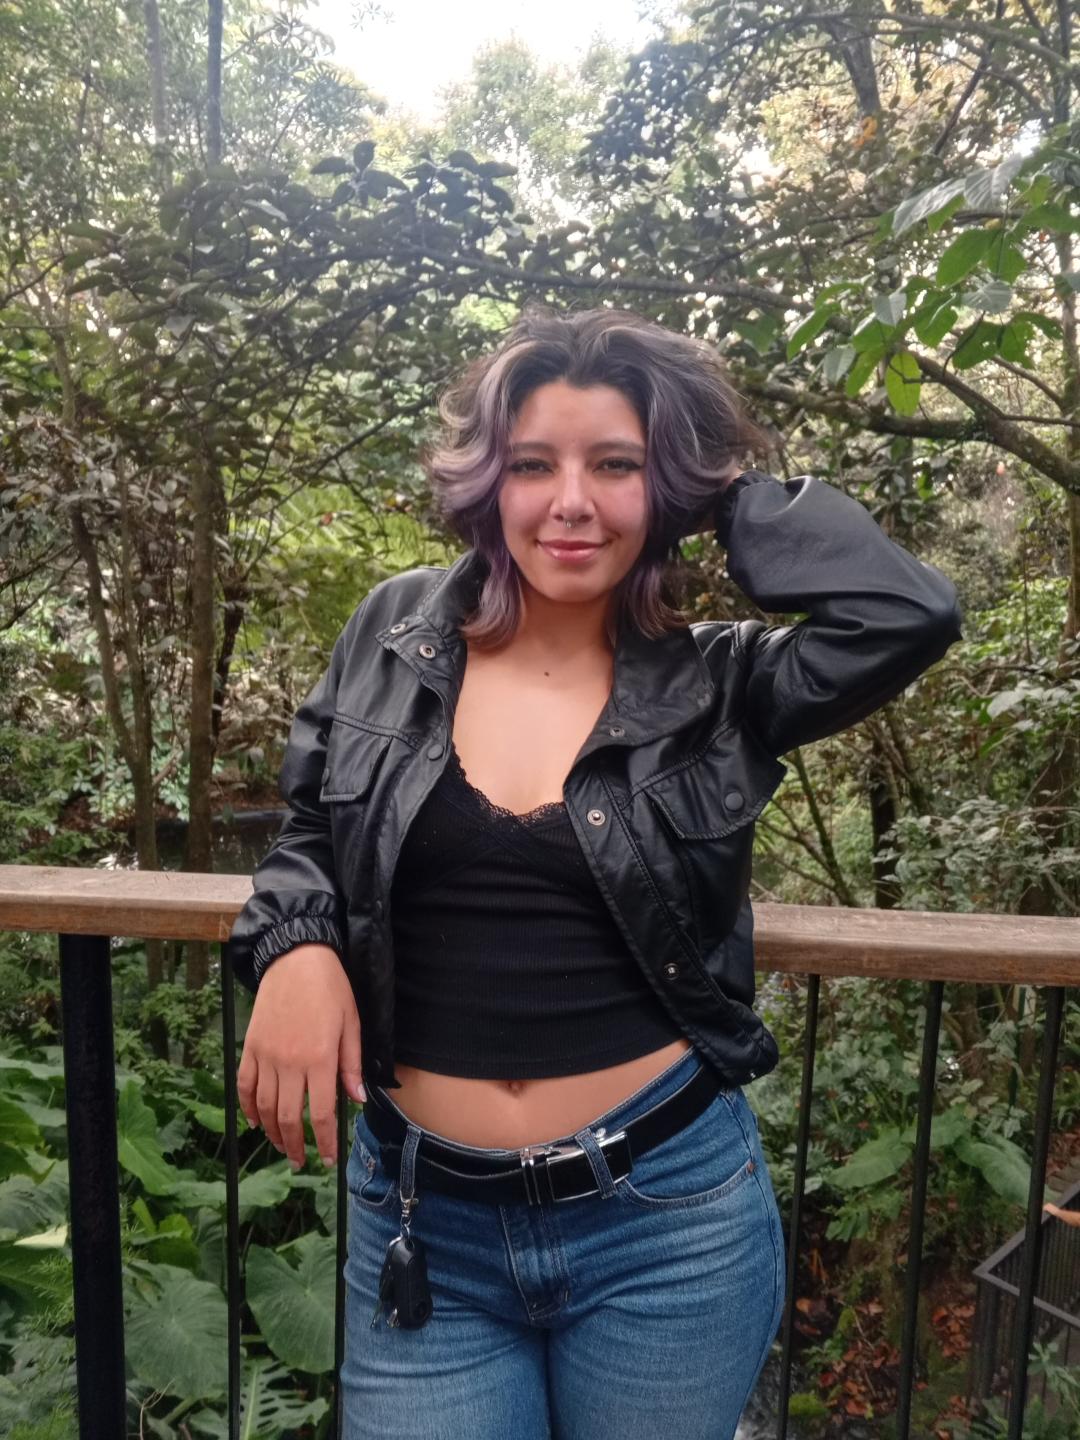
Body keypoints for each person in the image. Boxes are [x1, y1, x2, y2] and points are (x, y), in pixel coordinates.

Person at [227, 303, 964, 1439]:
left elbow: (908, 612)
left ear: (663, 487)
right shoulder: (392, 632)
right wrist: (295, 947)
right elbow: (310, 828)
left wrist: (715, 493)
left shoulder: (725, 684)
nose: (570, 501)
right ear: (489, 481)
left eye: (615, 465)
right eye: (534, 465)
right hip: (426, 1221)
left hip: (667, 1224)